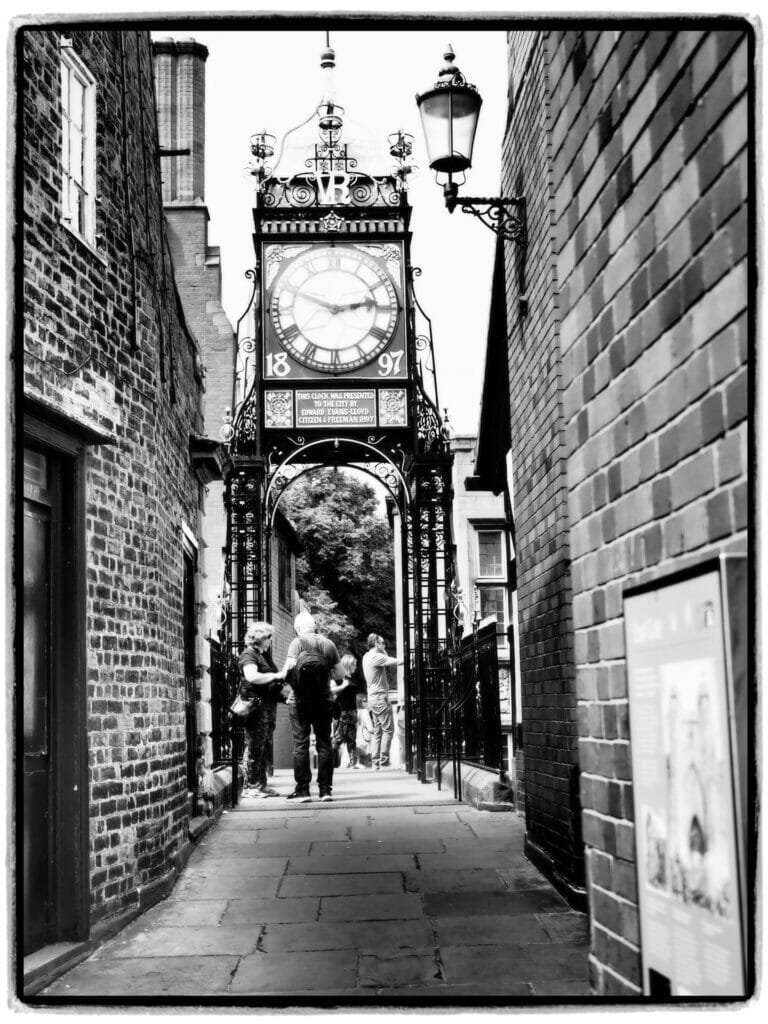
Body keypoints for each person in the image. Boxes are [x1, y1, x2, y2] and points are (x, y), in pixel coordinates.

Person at [284, 612, 344, 802]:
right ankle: (325, 790)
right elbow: (340, 674)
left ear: (298, 628)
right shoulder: (329, 644)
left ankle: (303, 790)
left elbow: (288, 671)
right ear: (315, 626)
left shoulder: (297, 643)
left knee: (300, 745)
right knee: (324, 744)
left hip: (299, 701)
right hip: (323, 700)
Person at [237, 621, 289, 798]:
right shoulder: (248, 655)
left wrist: (284, 696)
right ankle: (250, 787)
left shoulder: (263, 656)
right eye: (268, 638)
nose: (270, 641)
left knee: (264, 746)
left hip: (267, 710)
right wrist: (276, 675)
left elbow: (270, 682)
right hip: (256, 710)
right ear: (259, 638)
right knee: (254, 747)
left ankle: (260, 785)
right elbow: (252, 676)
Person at [361, 633, 403, 769]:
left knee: (378, 731)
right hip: (380, 698)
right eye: (382, 642)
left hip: (372, 698)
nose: (385, 645)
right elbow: (398, 661)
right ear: (376, 644)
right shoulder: (375, 657)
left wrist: (382, 649)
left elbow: (385, 656)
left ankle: (375, 762)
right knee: (388, 730)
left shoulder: (366, 656)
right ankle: (384, 761)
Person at [331, 654, 360, 769]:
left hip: (352, 712)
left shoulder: (351, 678)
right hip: (342, 712)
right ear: (348, 664)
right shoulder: (338, 679)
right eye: (354, 664)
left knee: (352, 738)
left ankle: (353, 763)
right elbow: (331, 692)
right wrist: (343, 686)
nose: (356, 667)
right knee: (338, 739)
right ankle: (327, 762)